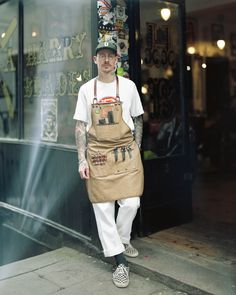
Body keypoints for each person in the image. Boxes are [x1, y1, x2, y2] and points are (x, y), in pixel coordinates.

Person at [73, 41, 144, 288]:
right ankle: (120, 262)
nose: (106, 60)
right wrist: (82, 159)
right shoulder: (86, 90)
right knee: (103, 208)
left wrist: (137, 147)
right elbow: (81, 126)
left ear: (117, 60)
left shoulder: (129, 86)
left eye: (110, 56)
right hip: (98, 154)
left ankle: (122, 239)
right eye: (101, 56)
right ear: (95, 60)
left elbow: (138, 118)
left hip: (125, 151)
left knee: (131, 202)